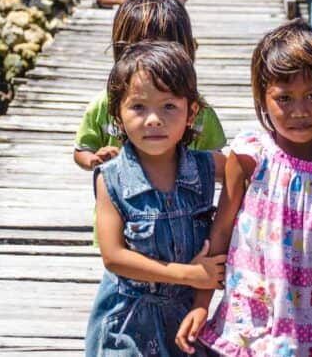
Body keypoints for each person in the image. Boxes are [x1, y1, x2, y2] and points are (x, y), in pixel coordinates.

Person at [176, 19, 312, 357]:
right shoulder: (250, 155)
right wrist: (202, 303)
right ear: (263, 98)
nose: (300, 111)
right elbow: (222, 231)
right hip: (254, 302)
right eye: (284, 98)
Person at [85, 41, 225, 356]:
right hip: (128, 324)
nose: (153, 119)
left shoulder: (206, 167)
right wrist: (188, 274)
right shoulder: (111, 179)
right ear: (117, 115)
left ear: (191, 113)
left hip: (189, 318)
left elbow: (258, 164)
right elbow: (114, 257)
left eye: (168, 107)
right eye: (138, 107)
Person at [74, 0, 225, 172]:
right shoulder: (104, 104)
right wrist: (94, 160)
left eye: (169, 106)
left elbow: (220, 163)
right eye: (138, 107)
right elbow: (82, 149)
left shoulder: (195, 108)